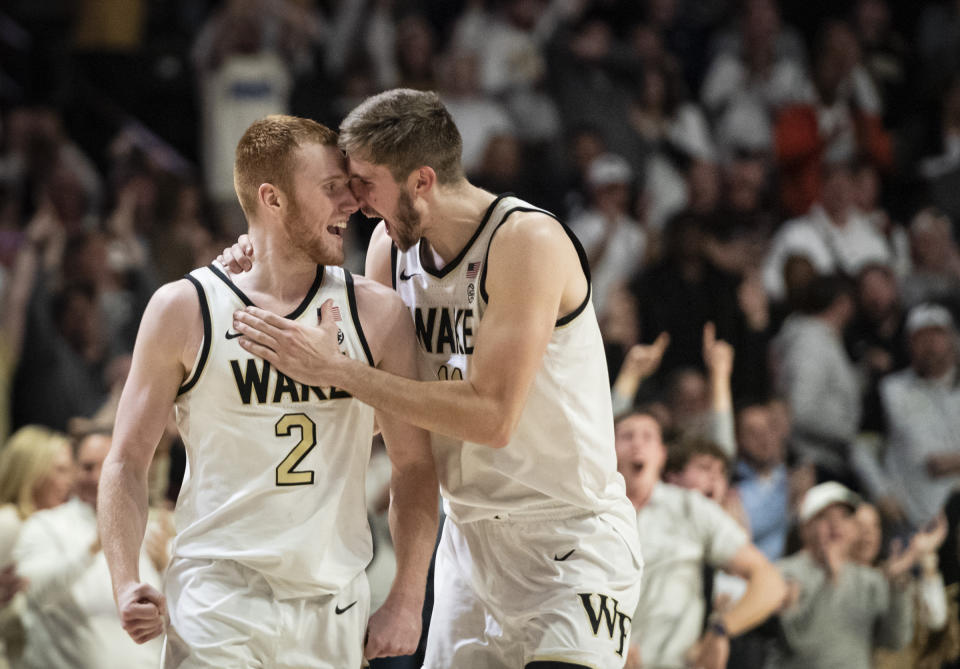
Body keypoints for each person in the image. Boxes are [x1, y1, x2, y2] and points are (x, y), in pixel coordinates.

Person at [225, 88, 643, 668]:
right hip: (468, 542)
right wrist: (261, 262)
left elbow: (492, 418)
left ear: (422, 181)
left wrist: (340, 370)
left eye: (366, 184)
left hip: (567, 536)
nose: (358, 203)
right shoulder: (389, 251)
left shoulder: (526, 241)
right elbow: (381, 416)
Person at [97, 115, 439, 667]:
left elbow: (414, 465)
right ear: (272, 198)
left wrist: (407, 594)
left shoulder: (377, 313)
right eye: (331, 189)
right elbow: (126, 461)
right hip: (217, 597)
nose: (350, 203)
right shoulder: (185, 308)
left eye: (349, 188)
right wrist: (123, 579)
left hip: (333, 603)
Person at [613, 411, 785, 669]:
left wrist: (722, 630)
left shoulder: (689, 508)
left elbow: (770, 581)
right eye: (627, 436)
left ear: (662, 454)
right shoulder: (590, 512)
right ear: (608, 448)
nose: (638, 443)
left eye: (648, 437)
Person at [13, 430, 164, 669]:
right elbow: (33, 591)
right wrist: (91, 549)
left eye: (106, 465)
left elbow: (166, 613)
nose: (97, 477)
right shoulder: (45, 525)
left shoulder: (147, 528)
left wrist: (167, 567)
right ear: (74, 471)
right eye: (87, 467)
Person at [770, 481, 914, 669]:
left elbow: (895, 642)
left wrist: (898, 589)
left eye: (845, 517)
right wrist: (830, 582)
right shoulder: (783, 573)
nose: (836, 525)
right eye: (824, 517)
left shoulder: (870, 580)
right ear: (805, 528)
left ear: (854, 528)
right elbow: (797, 645)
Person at [0, 425, 75, 668]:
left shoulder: (54, 526)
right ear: (32, 472)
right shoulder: (9, 523)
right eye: (60, 470)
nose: (70, 481)